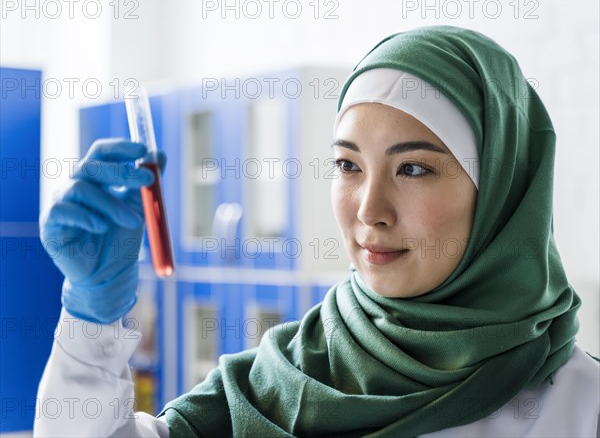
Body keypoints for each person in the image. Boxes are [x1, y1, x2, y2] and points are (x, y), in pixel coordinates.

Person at [34, 25, 599, 437]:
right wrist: (91, 316)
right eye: (348, 166)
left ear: (504, 193)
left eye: (414, 168)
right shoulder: (284, 376)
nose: (369, 210)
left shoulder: (579, 406)